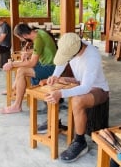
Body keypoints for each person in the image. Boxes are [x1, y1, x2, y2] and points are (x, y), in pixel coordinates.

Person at [44, 33, 109, 162]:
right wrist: (55, 76)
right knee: (56, 85)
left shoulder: (92, 57)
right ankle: (53, 122)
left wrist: (61, 93)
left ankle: (80, 141)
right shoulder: (73, 46)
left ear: (74, 52)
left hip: (98, 89)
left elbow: (85, 88)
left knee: (77, 100)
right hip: (80, 82)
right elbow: (63, 61)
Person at [0, 23, 57, 114]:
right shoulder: (38, 32)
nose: (21, 40)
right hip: (47, 64)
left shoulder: (38, 39)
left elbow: (32, 63)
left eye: (20, 38)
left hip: (50, 68)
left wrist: (12, 64)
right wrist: (29, 53)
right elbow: (40, 49)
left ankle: (17, 105)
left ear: (24, 35)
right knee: (21, 69)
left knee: (22, 70)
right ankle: (14, 90)